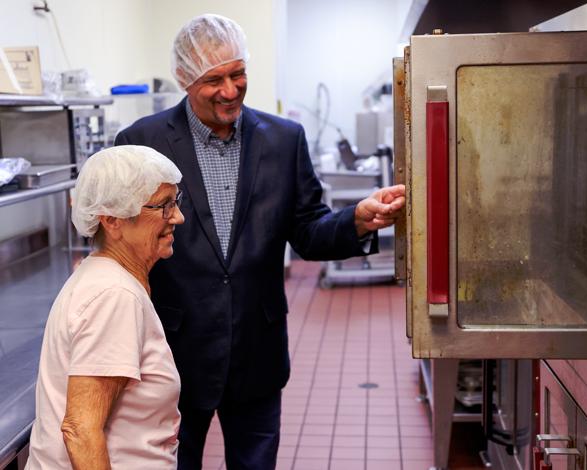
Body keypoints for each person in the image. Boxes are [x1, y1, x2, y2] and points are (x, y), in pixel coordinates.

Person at [114, 13, 405, 470]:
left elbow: (308, 231)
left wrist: (360, 222)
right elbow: (124, 246)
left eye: (238, 74)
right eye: (214, 80)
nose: (230, 91)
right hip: (172, 352)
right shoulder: (142, 144)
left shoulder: (284, 140)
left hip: (258, 347)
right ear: (185, 79)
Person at [26, 145, 185, 469]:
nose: (178, 217)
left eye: (176, 202)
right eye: (163, 206)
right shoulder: (114, 296)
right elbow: (81, 431)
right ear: (113, 220)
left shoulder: (108, 278)